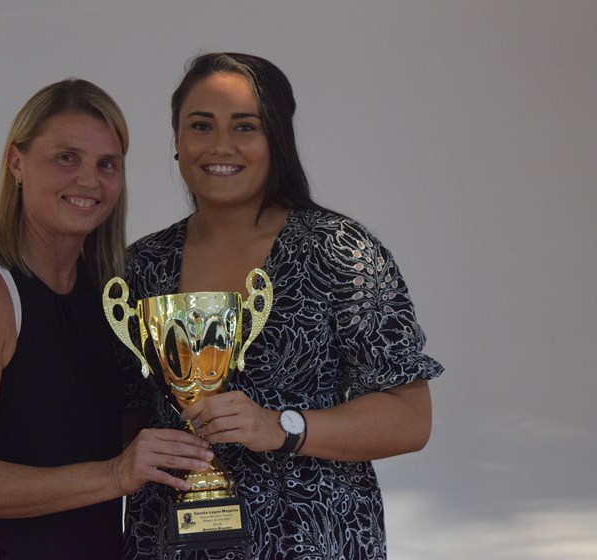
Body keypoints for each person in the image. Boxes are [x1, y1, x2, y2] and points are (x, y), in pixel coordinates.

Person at [120, 53, 444, 559]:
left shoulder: (341, 251)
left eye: (245, 127)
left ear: (277, 142)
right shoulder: (141, 265)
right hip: (170, 543)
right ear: (178, 144)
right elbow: (123, 417)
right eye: (200, 125)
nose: (220, 146)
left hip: (311, 541)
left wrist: (282, 427)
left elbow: (410, 417)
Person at [0, 78, 214, 560]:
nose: (89, 181)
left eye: (106, 164)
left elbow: (92, 435)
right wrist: (116, 474)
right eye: (66, 157)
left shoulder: (113, 294)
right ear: (17, 162)